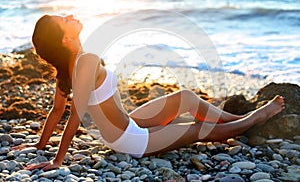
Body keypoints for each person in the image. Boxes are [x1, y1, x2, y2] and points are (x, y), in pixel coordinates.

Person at [13, 14, 284, 171]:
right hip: (129, 140)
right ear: (64, 39)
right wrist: (57, 162)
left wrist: (39, 146)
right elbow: (73, 116)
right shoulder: (85, 62)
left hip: (127, 123)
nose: (70, 16)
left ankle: (235, 118)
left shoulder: (71, 66)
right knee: (198, 130)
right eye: (64, 19)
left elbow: (56, 110)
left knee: (187, 98)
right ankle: (253, 119)